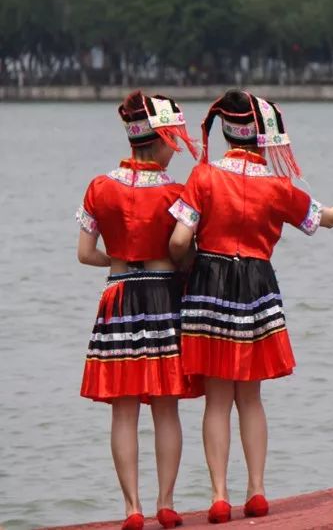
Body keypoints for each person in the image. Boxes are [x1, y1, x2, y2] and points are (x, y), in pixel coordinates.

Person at [167, 90, 333, 522]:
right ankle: (257, 492)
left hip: (210, 283)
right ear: (262, 137)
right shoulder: (278, 186)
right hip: (258, 285)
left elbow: (181, 240)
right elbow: (329, 218)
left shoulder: (202, 178)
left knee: (218, 400)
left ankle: (220, 497)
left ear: (226, 132)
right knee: (252, 398)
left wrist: (183, 262)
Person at [76, 91, 201, 530]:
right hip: (164, 296)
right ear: (163, 138)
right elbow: (185, 252)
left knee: (123, 409)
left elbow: (83, 253)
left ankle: (132, 508)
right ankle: (166, 503)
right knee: (166, 406)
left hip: (119, 296)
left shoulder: (99, 187)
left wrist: (117, 261)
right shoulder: (177, 191)